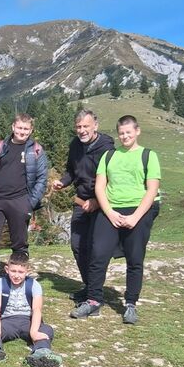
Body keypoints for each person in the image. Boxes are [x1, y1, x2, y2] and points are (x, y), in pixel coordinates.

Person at [73, 115, 161, 325]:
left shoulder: (148, 155)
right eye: (121, 133)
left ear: (137, 131)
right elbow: (100, 187)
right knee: (98, 254)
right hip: (110, 208)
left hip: (138, 209)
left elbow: (152, 190)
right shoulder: (110, 155)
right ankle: (93, 300)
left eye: (128, 132)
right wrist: (110, 212)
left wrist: (135, 217)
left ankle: (130, 303)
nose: (125, 136)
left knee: (135, 257)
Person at [52, 109, 116, 305]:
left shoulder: (107, 148)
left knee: (96, 249)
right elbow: (71, 171)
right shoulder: (75, 145)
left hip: (102, 203)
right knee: (78, 246)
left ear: (95, 126)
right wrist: (63, 182)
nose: (82, 130)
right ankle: (90, 287)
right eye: (78, 127)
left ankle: (94, 293)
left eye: (86, 126)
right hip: (81, 202)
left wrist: (97, 200)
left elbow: (113, 178)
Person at [0, 114, 48, 277]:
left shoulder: (36, 150)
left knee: (19, 244)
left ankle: (18, 277)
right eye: (20, 127)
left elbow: (42, 178)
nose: (22, 131)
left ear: (31, 130)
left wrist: (30, 202)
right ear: (13, 127)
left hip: (20, 200)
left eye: (26, 129)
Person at [0, 253, 63, 367]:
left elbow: (37, 309)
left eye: (20, 272)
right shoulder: (0, 283)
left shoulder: (34, 285)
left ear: (27, 272)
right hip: (7, 321)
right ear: (7, 269)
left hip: (28, 321)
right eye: (13, 271)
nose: (16, 275)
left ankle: (41, 353)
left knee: (46, 329)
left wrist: (34, 331)